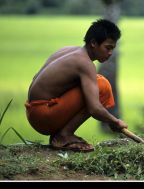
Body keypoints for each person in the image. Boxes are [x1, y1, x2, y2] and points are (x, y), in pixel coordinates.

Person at [25, 19, 128, 152]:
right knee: (102, 85)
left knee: (95, 81)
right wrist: (115, 122)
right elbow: (94, 109)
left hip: (34, 112)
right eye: (107, 48)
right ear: (93, 43)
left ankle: (61, 134)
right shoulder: (84, 63)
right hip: (43, 116)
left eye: (112, 49)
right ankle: (64, 136)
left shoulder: (69, 50)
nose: (110, 53)